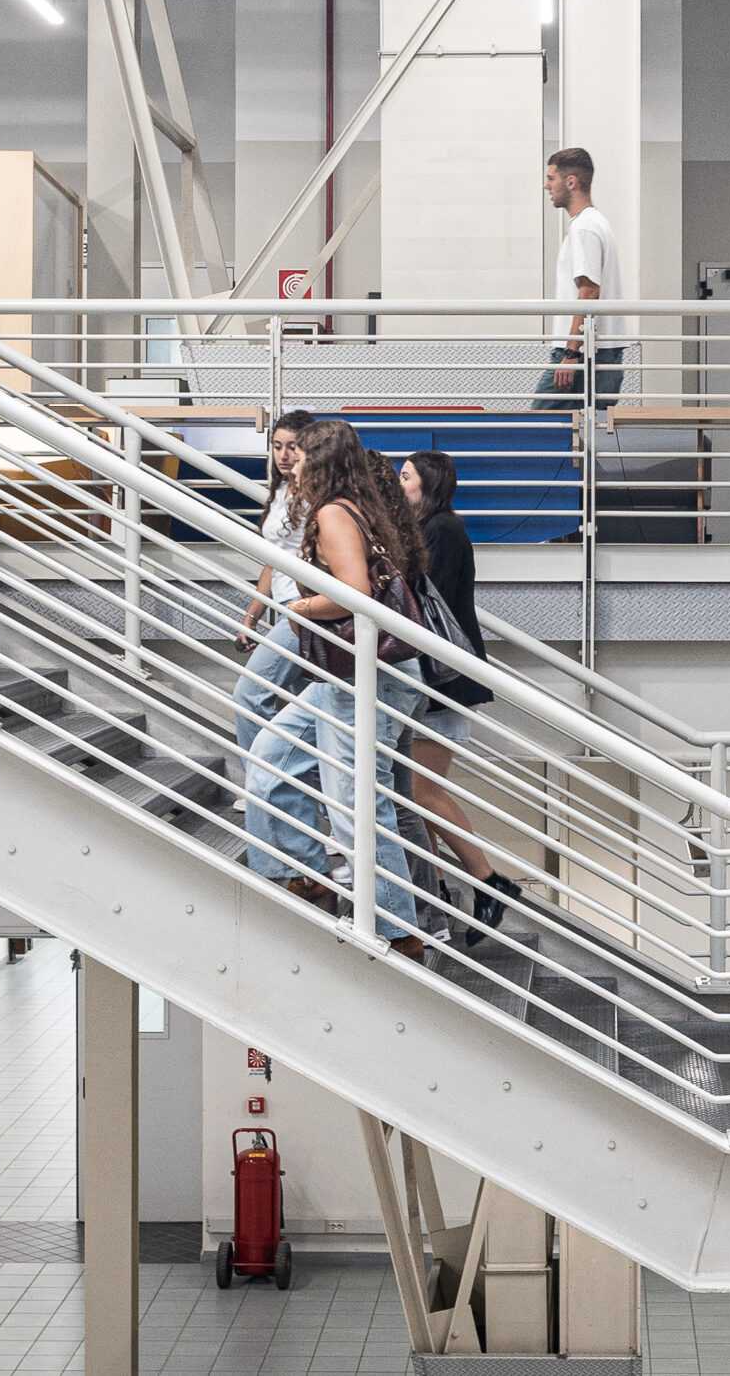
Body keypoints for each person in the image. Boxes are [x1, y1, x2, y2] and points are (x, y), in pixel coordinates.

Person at [240, 418, 429, 958]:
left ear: (318, 462)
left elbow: (355, 595)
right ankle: (304, 875)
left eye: (299, 456)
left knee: (354, 802)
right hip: (346, 673)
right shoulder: (346, 508)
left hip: (367, 675)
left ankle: (395, 929)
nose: (290, 464)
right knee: (270, 758)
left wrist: (296, 606)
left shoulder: (332, 513)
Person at [400, 449, 525, 941]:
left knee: (421, 791)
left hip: (441, 681)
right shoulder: (430, 529)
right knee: (413, 795)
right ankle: (438, 890)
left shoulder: (443, 531)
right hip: (432, 679)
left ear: (428, 484)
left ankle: (489, 882)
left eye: (406, 477)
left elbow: (426, 606)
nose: (398, 485)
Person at [233, 409, 318, 798]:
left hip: (304, 612)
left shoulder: (316, 494)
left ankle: (263, 789)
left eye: (293, 447)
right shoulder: (282, 490)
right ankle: (301, 797)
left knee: (250, 695)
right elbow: (273, 559)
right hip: (284, 611)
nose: (284, 455)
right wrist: (251, 615)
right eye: (277, 446)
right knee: (307, 715)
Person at [534, 147, 627, 409]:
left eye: (551, 178)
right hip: (595, 351)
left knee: (539, 423)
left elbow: (589, 292)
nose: (546, 185)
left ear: (571, 182)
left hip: (586, 353)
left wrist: (570, 352)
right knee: (585, 429)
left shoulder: (585, 227)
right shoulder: (592, 223)